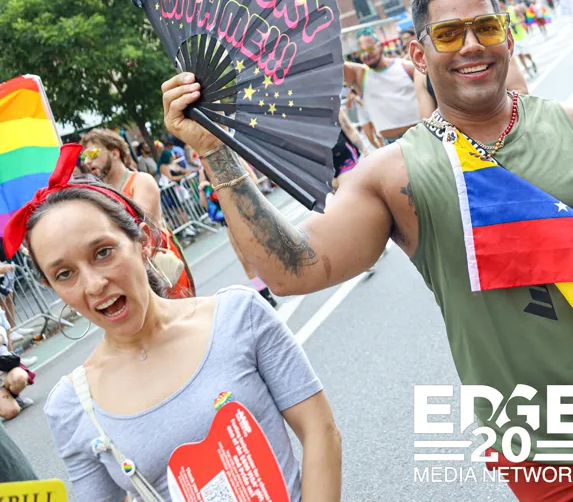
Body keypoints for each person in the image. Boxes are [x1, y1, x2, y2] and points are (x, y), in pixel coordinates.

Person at [163, 0, 573, 502]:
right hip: (538, 443)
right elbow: (293, 271)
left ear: (506, 34)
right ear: (418, 53)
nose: (471, 45)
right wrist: (216, 154)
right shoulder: (392, 175)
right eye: (448, 34)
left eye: (485, 27)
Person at [0, 155, 343, 501]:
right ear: (51, 287)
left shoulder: (240, 315)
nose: (93, 284)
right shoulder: (72, 405)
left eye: (103, 252)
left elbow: (320, 431)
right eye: (64, 274)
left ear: (143, 241)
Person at [83, 129, 196, 300]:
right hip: (132, 275)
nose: (87, 161)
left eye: (92, 154)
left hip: (161, 266)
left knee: (182, 314)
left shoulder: (141, 181)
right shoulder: (103, 195)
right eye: (84, 157)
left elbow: (134, 225)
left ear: (115, 153)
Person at [343, 29, 421, 144]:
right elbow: (333, 65)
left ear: (380, 46)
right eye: (361, 51)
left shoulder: (406, 67)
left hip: (421, 135)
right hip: (393, 144)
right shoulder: (360, 75)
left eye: (370, 49)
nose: (366, 54)